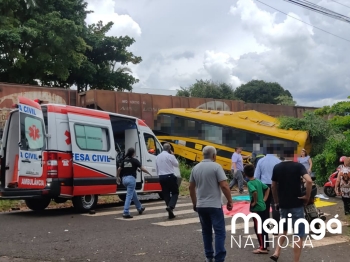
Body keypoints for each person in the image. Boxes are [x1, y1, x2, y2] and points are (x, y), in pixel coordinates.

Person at [189, 146, 233, 262]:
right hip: (214, 206)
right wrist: (230, 201)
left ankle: (209, 256)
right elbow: (224, 185)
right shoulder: (216, 167)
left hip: (201, 205)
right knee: (219, 232)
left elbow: (191, 187)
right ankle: (219, 258)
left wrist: (195, 202)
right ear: (214, 156)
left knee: (206, 232)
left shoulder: (195, 168)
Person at [269, 154, 312, 262]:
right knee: (298, 234)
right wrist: (307, 196)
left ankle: (276, 252)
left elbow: (273, 186)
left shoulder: (277, 167)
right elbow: (309, 181)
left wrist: (276, 201)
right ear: (294, 155)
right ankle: (296, 261)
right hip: (297, 204)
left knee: (283, 230)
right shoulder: (298, 166)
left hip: (283, 204)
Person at [117, 147, 151, 219]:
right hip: (131, 179)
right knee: (129, 196)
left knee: (133, 193)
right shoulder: (135, 161)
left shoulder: (124, 160)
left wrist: (117, 177)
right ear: (133, 153)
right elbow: (142, 168)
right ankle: (126, 212)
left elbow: (119, 169)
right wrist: (148, 172)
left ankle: (140, 208)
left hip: (124, 179)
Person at [244, 164, 270, 254]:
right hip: (263, 206)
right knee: (264, 226)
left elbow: (254, 192)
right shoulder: (258, 181)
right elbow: (267, 188)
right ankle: (265, 245)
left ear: (245, 174)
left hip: (256, 208)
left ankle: (262, 247)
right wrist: (265, 199)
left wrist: (254, 202)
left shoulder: (250, 183)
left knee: (258, 227)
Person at [254, 148, 281, 228]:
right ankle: (276, 227)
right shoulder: (278, 161)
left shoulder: (261, 161)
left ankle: (265, 226)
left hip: (264, 186)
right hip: (275, 185)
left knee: (264, 206)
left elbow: (256, 177)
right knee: (275, 205)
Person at [156, 143, 180, 219]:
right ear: (169, 149)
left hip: (161, 177)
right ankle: (171, 206)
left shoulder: (157, 157)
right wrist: (173, 155)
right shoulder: (170, 156)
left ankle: (170, 212)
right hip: (170, 176)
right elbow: (176, 164)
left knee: (166, 193)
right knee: (175, 192)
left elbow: (157, 168)